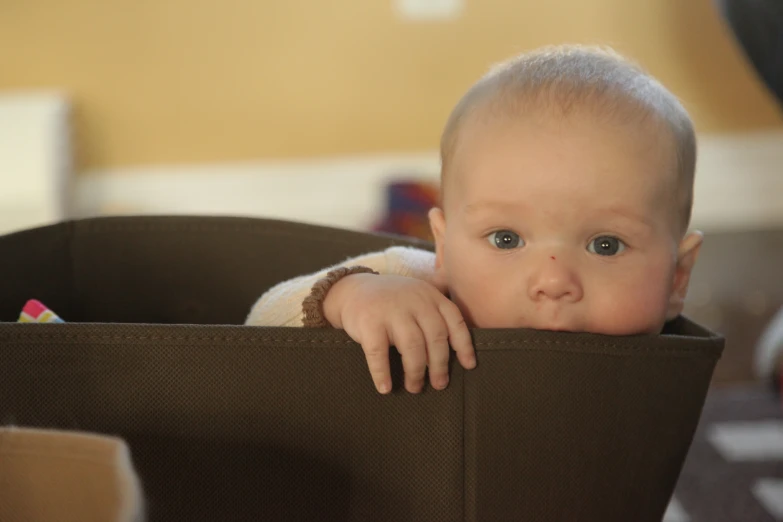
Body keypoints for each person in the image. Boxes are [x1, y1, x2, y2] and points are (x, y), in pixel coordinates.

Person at [246, 44, 703, 397]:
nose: (552, 281)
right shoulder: (414, 283)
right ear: (443, 248)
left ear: (677, 278)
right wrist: (349, 297)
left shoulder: (655, 366)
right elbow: (259, 325)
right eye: (506, 239)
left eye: (606, 245)